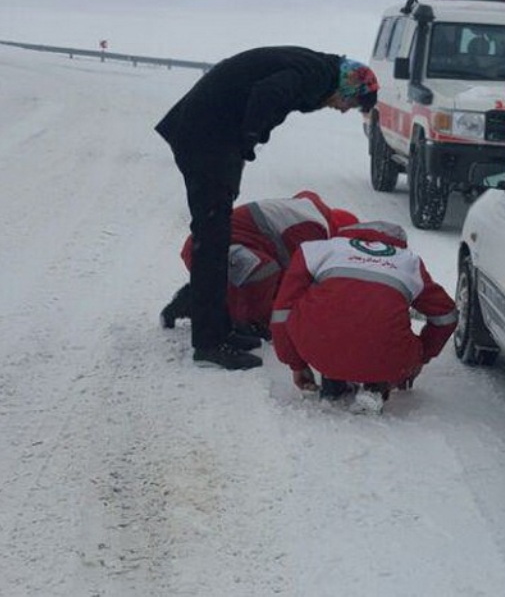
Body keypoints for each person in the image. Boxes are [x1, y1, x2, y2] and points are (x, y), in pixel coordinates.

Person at [155, 46, 378, 370]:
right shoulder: (313, 74)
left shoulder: (317, 69)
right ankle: (209, 342)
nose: (344, 110)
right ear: (348, 87)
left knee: (217, 235)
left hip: (210, 135)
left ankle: (220, 329)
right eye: (352, 103)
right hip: (206, 137)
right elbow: (268, 92)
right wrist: (249, 137)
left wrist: (247, 140)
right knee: (212, 239)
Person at [271, 221, 458, 412]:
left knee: (327, 318)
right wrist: (420, 357)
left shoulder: (315, 250)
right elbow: (446, 316)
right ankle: (377, 385)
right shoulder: (409, 262)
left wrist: (297, 364)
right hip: (386, 355)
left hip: (318, 347)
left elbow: (281, 313)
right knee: (378, 333)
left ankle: (333, 379)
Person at [160, 190, 359, 341]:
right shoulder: (313, 228)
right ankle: (244, 323)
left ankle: (199, 298)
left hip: (207, 250)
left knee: (267, 275)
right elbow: (299, 279)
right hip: (208, 253)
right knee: (265, 271)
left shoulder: (306, 211)